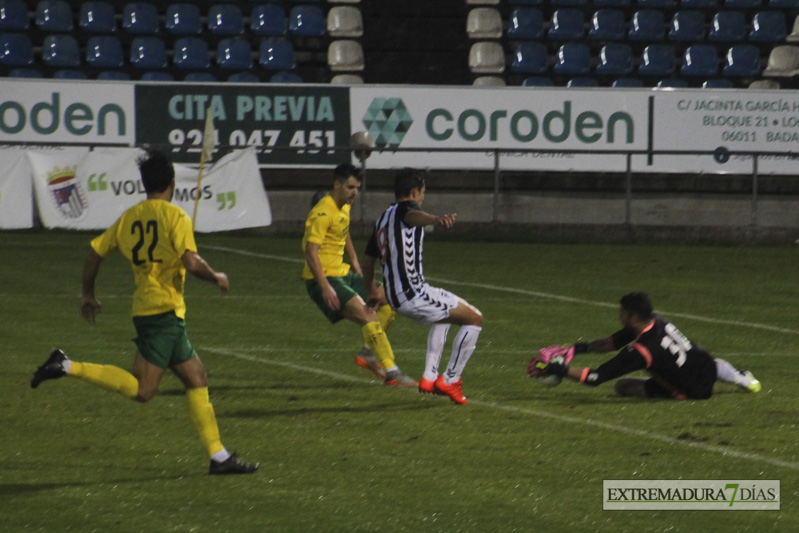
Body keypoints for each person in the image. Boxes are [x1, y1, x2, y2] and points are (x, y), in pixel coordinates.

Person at [30, 150, 258, 475]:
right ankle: (65, 365)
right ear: (172, 183)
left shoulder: (129, 217)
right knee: (142, 390)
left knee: (197, 378)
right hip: (161, 312)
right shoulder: (175, 216)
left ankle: (218, 457)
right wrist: (217, 276)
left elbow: (95, 253)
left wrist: (88, 295)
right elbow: (192, 263)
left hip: (155, 312)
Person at [363, 169, 484, 405]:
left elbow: (368, 260)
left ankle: (429, 377)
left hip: (398, 297)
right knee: (475, 319)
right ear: (414, 192)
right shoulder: (405, 210)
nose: (422, 198)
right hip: (414, 293)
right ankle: (450, 380)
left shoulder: (382, 219)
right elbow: (411, 215)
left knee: (446, 314)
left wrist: (373, 291)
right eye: (422, 193)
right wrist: (435, 219)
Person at [302, 163, 415, 387]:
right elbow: (310, 251)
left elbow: (343, 232)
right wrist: (325, 287)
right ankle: (393, 372)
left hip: (342, 273)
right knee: (368, 315)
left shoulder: (343, 206)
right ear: (336, 184)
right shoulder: (322, 213)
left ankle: (367, 353)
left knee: (389, 300)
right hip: (323, 278)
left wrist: (353, 260)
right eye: (351, 187)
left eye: (357, 188)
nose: (355, 192)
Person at [528, 292, 762, 399]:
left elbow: (596, 378)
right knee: (705, 361)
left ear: (632, 317)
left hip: (692, 390)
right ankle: (742, 378)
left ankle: (679, 389)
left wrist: (558, 369)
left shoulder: (642, 351)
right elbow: (612, 342)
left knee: (623, 386)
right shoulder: (654, 321)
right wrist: (578, 349)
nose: (619, 317)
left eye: (622, 313)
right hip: (705, 366)